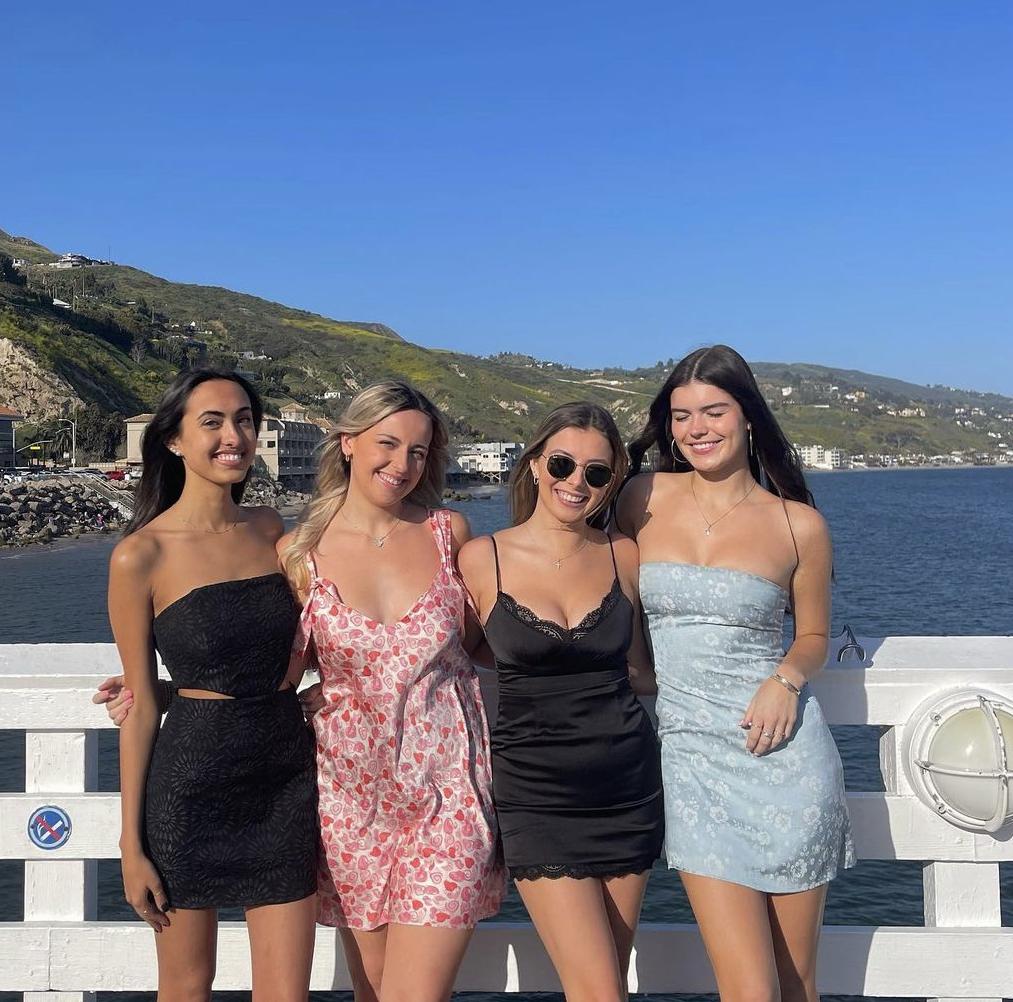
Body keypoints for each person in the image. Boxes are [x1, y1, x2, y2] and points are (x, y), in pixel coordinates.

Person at [616, 344, 855, 1002]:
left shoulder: (797, 524)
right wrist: (635, 663)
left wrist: (784, 681)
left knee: (794, 982)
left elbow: (811, 635)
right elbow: (597, 580)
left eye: (713, 411)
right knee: (746, 987)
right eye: (680, 415)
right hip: (693, 761)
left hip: (786, 759)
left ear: (747, 416)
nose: (696, 428)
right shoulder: (640, 498)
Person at [279, 380, 505, 1002]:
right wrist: (160, 690)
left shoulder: (448, 533)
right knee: (372, 992)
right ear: (348, 443)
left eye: (419, 452)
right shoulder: (300, 554)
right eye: (387, 444)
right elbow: (276, 674)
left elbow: (483, 643)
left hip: (446, 797)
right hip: (348, 802)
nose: (402, 465)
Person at [107, 368, 318, 1001]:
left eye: (246, 420)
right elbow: (140, 707)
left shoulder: (272, 529)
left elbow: (319, 636)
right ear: (173, 440)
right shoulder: (140, 555)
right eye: (213, 422)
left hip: (285, 778)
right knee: (187, 983)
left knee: (286, 991)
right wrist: (131, 845)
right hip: (189, 786)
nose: (235, 435)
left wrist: (324, 687)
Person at [458, 402, 663, 1002]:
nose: (577, 482)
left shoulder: (624, 554)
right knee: (599, 990)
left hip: (627, 787)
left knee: (605, 983)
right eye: (563, 463)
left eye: (597, 473)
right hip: (536, 795)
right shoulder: (482, 559)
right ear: (534, 464)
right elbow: (455, 654)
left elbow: (643, 668)